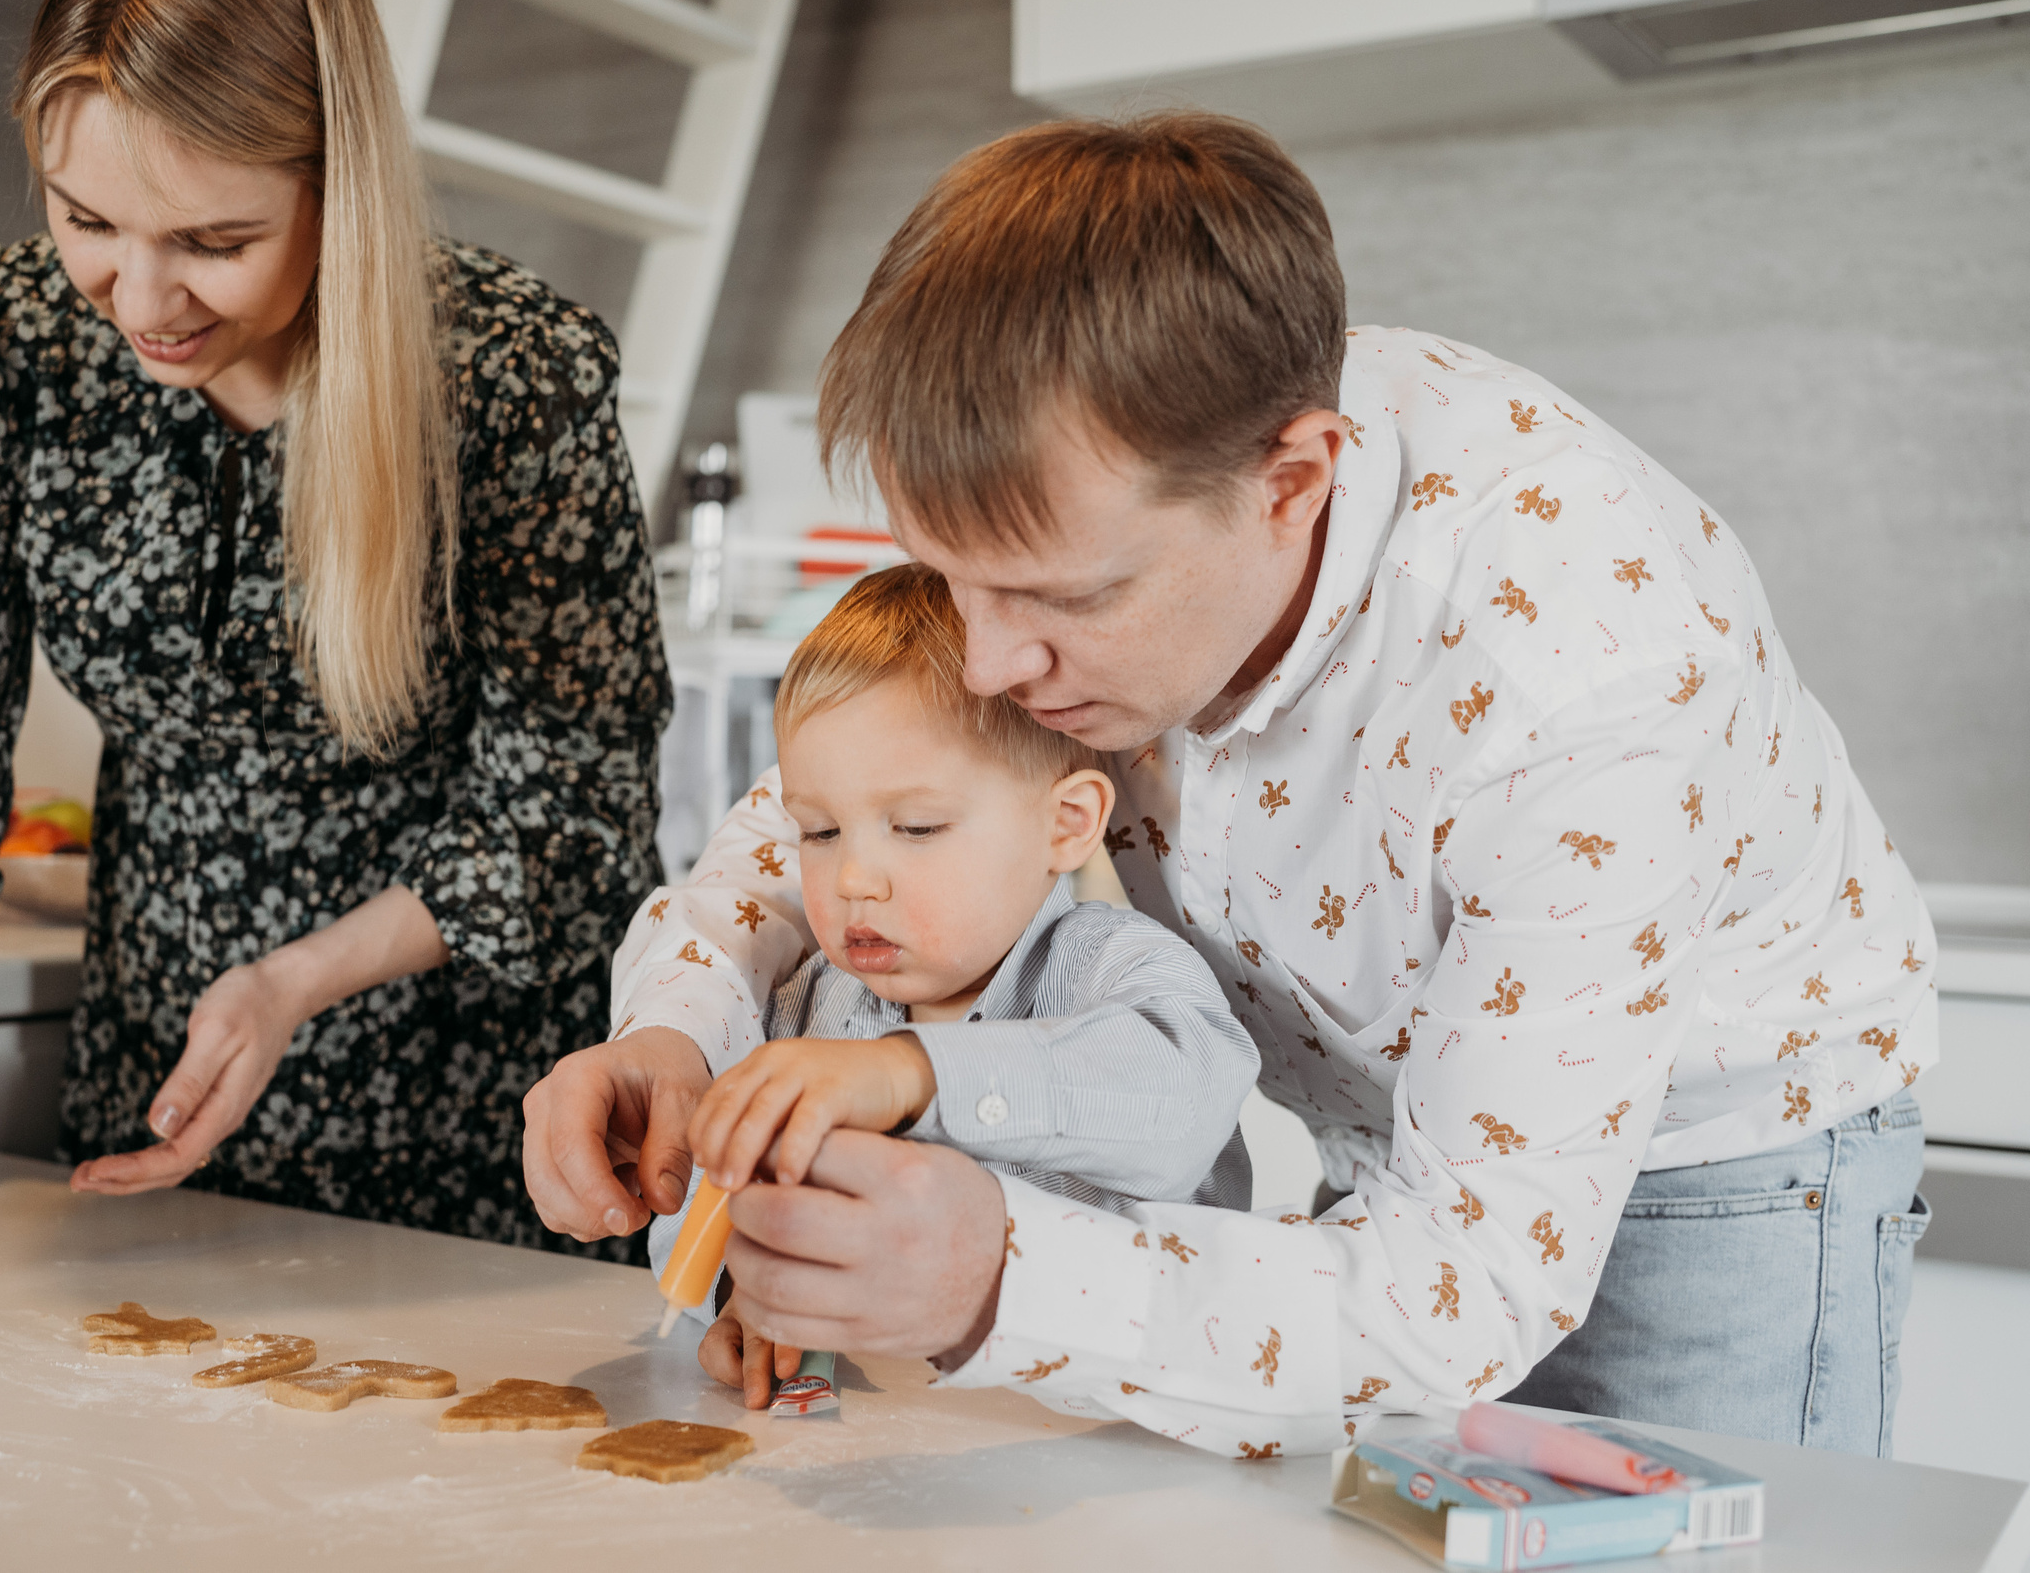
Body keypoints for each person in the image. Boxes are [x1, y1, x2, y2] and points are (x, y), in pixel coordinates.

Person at [526, 112, 1938, 1458]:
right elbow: (805, 828)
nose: (987, 657)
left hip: (1712, 1163)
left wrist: (998, 1282)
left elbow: (1464, 1281)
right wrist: (681, 1030)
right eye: (949, 579)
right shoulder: (1093, 517)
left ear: (1292, 484)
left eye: (1057, 596)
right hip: (1382, 1151)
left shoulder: (1582, 670)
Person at [0, 0, 668, 1289]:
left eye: (213, 243)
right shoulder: (6, 347)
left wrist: (294, 977)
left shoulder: (506, 376)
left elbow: (573, 805)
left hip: (493, 1124)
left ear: (335, 185)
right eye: (87, 220)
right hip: (157, 1096)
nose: (137, 298)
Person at [651, 564, 1257, 1405]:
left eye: (917, 826)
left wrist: (912, 1072)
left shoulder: (1114, 967)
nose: (856, 876)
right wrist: (749, 1292)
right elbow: (699, 1221)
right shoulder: (804, 1011)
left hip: (1104, 1452)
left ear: (1067, 823)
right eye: (820, 830)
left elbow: (1189, 1094)